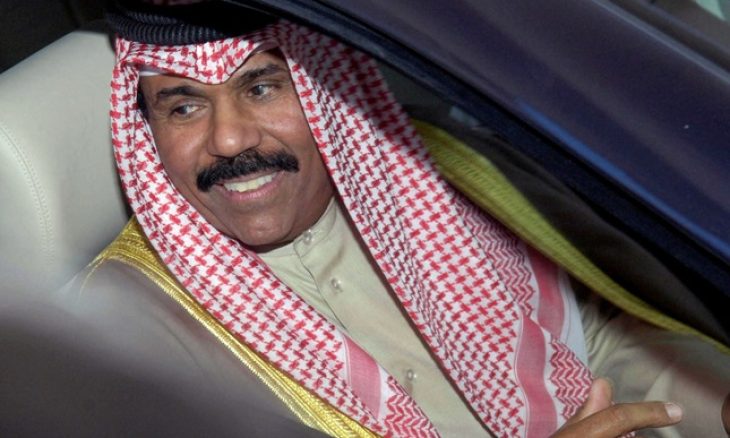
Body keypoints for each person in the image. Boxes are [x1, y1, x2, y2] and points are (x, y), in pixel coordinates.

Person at [55, 1, 729, 437]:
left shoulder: (451, 176)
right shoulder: (120, 336)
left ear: (324, 88)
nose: (229, 139)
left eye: (261, 86)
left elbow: (592, 343)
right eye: (182, 106)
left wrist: (714, 406)